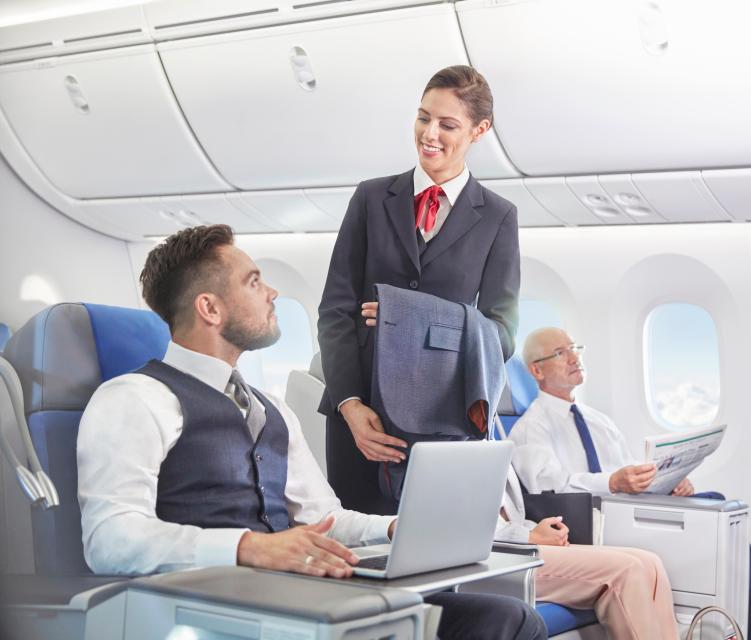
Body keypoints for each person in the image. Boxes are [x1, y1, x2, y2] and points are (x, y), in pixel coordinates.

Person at [77, 225, 545, 640]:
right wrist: (250, 547)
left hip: (307, 595)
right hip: (219, 609)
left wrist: (397, 529)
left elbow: (326, 517)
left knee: (508, 620)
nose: (272, 292)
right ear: (210, 308)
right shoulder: (135, 397)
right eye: (254, 281)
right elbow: (111, 538)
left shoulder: (272, 408)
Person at [508, 327, 751, 640]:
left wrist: (667, 481)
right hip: (591, 520)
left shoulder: (598, 421)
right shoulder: (530, 428)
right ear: (537, 371)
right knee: (715, 518)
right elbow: (549, 489)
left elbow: (628, 473)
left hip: (622, 505)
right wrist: (613, 481)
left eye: (574, 349)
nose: (574, 358)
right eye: (561, 352)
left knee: (716, 504)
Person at [317, 65, 520, 515]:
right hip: (360, 415)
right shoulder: (371, 198)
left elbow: (503, 335)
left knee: (434, 558)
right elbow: (335, 310)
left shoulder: (498, 218)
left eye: (448, 125)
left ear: (479, 130)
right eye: (423, 117)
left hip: (442, 418)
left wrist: (412, 314)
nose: (429, 134)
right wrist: (349, 405)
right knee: (361, 555)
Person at [498, 458, 678, 640]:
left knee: (650, 563)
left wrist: (534, 531)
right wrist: (527, 537)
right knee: (626, 570)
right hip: (496, 554)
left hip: (518, 536)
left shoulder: (487, 437)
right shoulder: (472, 442)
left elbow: (511, 515)